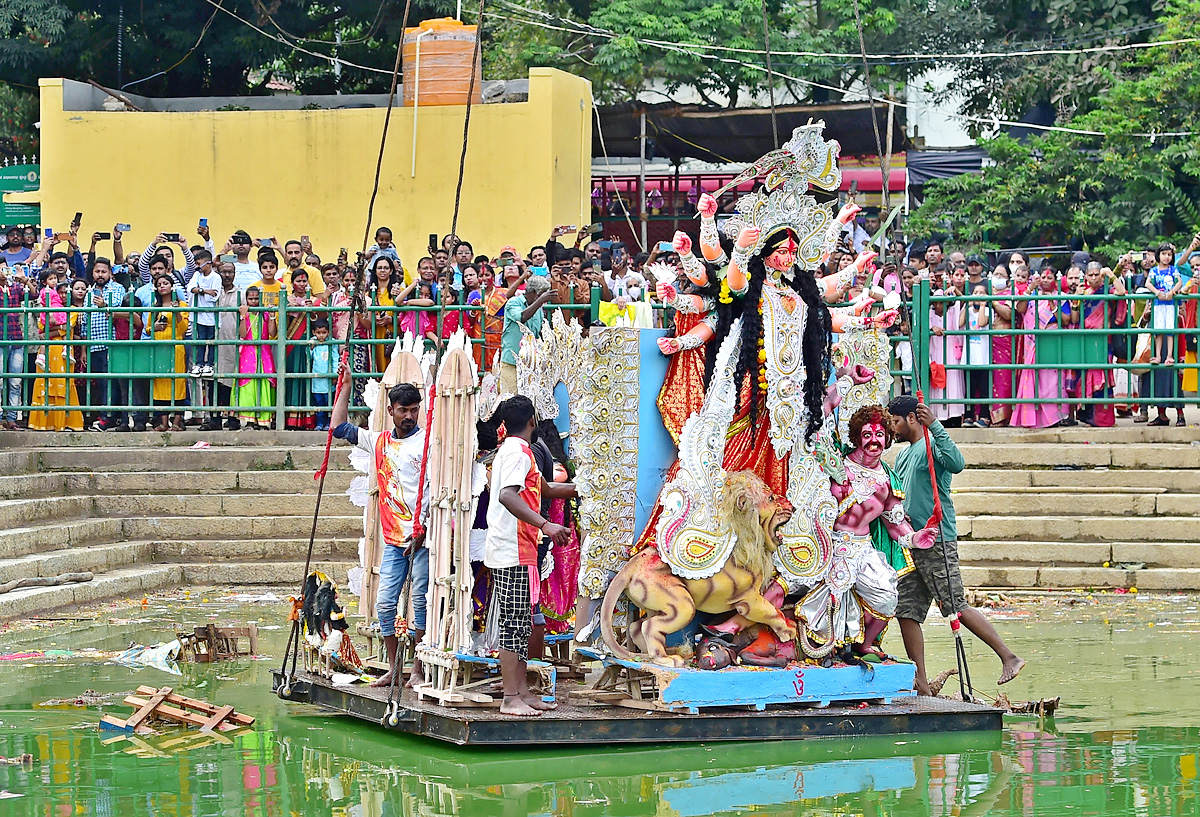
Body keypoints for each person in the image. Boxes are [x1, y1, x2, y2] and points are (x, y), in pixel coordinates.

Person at [887, 395, 1025, 694]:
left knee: (955, 605)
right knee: (906, 610)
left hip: (937, 538)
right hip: (912, 541)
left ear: (912, 418)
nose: (892, 428)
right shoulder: (903, 455)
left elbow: (957, 463)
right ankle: (921, 684)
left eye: (896, 421)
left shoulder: (932, 444)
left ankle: (1009, 656)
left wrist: (934, 424)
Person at [332, 379, 431, 689]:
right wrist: (345, 387)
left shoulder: (428, 443)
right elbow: (338, 428)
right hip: (393, 539)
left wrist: (423, 529)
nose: (409, 416)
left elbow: (434, 490)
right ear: (390, 411)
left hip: (423, 540)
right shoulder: (378, 442)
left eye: (414, 410)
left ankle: (418, 670)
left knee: (421, 605)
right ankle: (394, 667)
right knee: (385, 604)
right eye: (403, 410)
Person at [484, 395, 574, 716]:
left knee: (521, 623)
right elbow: (509, 496)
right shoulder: (517, 453)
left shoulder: (517, 452)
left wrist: (580, 488)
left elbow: (544, 490)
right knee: (514, 624)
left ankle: (521, 691)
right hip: (512, 549)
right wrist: (546, 524)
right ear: (533, 421)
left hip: (521, 549)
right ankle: (510, 698)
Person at [1012, 269, 1076, 428]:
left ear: (1056, 280)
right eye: (1043, 277)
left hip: (1052, 341)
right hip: (1032, 342)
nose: (1046, 280)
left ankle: (1054, 417)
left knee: (1052, 380)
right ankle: (1034, 417)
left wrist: (1052, 303)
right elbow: (1020, 309)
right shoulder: (1033, 296)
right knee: (1034, 377)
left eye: (1050, 277)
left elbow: (1066, 320)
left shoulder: (1060, 297)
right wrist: (1030, 288)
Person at [29, 269, 84, 431]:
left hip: (63, 352)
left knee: (64, 382)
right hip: (46, 352)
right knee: (44, 383)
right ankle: (43, 423)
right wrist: (56, 329)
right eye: (60, 292)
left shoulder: (73, 310)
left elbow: (64, 329)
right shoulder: (47, 310)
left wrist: (53, 330)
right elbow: (41, 330)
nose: (63, 296)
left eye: (66, 292)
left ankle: (64, 422)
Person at [1078, 263, 1128, 427]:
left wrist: (1110, 274)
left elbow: (1122, 293)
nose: (1093, 278)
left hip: (1102, 341)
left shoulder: (1108, 290)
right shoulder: (1083, 293)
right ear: (1086, 277)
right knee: (1084, 376)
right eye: (1090, 275)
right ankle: (1087, 415)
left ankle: (1103, 419)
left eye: (1097, 274)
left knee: (1102, 378)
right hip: (1084, 340)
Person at [84, 257, 127, 431]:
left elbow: (119, 309)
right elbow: (85, 320)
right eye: (97, 271)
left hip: (111, 343)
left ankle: (109, 417)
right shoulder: (89, 293)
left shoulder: (118, 288)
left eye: (103, 271)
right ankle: (105, 416)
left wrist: (105, 305)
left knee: (111, 382)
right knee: (101, 383)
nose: (100, 275)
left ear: (110, 273)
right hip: (94, 344)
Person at [147, 272, 189, 431]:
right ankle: (163, 423)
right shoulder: (155, 307)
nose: (162, 286)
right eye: (159, 285)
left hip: (176, 346)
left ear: (172, 286)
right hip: (159, 347)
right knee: (160, 383)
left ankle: (177, 422)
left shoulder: (182, 305)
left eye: (165, 283)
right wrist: (155, 327)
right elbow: (148, 329)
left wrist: (176, 311)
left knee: (178, 383)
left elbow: (184, 328)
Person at [498, 274, 553, 394]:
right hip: (512, 361)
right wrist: (540, 301)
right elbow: (521, 317)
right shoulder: (513, 303)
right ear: (533, 292)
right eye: (541, 294)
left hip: (531, 364)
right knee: (510, 396)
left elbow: (537, 333)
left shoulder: (538, 310)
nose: (543, 299)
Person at [235, 286, 277, 430]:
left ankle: (263, 421)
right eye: (250, 299)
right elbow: (242, 334)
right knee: (248, 384)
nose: (253, 301)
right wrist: (243, 316)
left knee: (264, 383)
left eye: (256, 299)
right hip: (248, 353)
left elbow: (272, 333)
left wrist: (271, 316)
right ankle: (250, 421)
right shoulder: (244, 313)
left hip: (264, 353)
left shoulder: (264, 314)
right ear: (246, 299)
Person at [207, 262, 242, 431]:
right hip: (213, 341)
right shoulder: (213, 292)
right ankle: (214, 419)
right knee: (213, 381)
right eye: (223, 272)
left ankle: (233, 418)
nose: (227, 275)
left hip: (231, 342)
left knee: (230, 381)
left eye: (230, 272)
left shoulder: (240, 293)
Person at [284, 269, 316, 430]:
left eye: (304, 281)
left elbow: (320, 322)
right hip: (292, 343)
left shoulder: (313, 299)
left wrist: (313, 309)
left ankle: (306, 420)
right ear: (292, 283)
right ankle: (290, 419)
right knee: (291, 378)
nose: (302, 284)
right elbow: (281, 324)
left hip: (308, 343)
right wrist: (289, 308)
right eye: (298, 281)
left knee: (307, 379)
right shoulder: (287, 299)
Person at [960, 282, 992, 427]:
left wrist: (984, 305)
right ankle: (969, 416)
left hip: (983, 357)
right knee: (970, 388)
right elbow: (959, 323)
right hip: (969, 356)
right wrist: (967, 304)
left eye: (981, 293)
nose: (978, 295)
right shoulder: (968, 310)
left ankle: (984, 417)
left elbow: (981, 323)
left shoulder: (987, 311)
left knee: (984, 388)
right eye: (975, 292)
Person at [0, 263, 27, 429]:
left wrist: (25, 279)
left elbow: (33, 293)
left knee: (15, 381)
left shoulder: (16, 287)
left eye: (5, 268)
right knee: (0, 381)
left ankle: (11, 418)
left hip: (16, 337)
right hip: (1, 339)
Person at [187, 249, 221, 378]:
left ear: (208, 263)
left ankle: (209, 364)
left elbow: (214, 296)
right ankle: (199, 363)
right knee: (200, 340)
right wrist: (204, 290)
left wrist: (200, 291)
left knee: (211, 341)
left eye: (198, 263)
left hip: (212, 316)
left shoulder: (216, 277)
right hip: (199, 316)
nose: (197, 266)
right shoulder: (197, 276)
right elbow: (191, 288)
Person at [310, 318, 333, 430]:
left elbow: (335, 358)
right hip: (317, 380)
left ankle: (329, 423)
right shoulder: (312, 343)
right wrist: (310, 347)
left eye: (324, 333)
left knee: (330, 403)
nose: (321, 336)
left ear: (328, 332)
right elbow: (309, 358)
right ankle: (319, 423)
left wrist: (334, 375)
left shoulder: (331, 342)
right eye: (318, 333)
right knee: (319, 403)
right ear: (314, 332)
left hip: (328, 380)